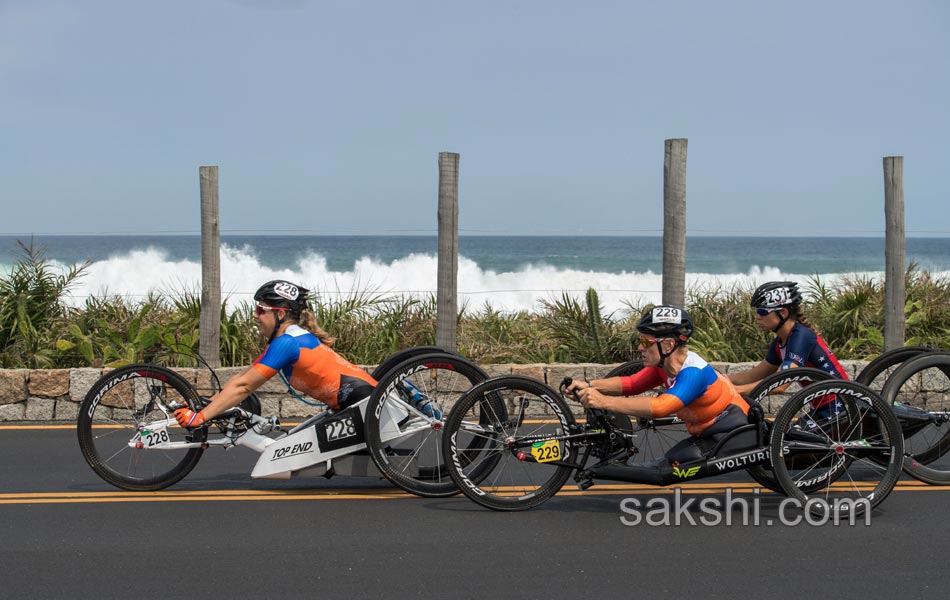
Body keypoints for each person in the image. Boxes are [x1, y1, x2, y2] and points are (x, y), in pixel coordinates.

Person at [174, 280, 377, 428]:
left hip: (364, 403)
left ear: (280, 314)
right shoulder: (290, 339)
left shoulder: (287, 343)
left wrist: (199, 418)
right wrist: (204, 403)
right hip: (360, 400)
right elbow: (241, 379)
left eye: (260, 310)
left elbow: (244, 387)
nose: (255, 315)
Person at [567, 304, 753, 466]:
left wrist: (603, 401)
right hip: (707, 431)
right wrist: (590, 385)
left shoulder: (693, 373)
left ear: (668, 345)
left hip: (730, 433)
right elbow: (631, 383)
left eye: (645, 342)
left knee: (672, 463)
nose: (640, 348)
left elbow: (660, 407)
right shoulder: (664, 366)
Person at [726, 281, 848, 420]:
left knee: (781, 440)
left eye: (762, 311)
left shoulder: (801, 336)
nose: (757, 317)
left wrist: (736, 391)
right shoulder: (780, 343)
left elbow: (780, 384)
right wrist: (719, 379)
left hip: (841, 409)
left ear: (783, 312)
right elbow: (752, 376)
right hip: (821, 410)